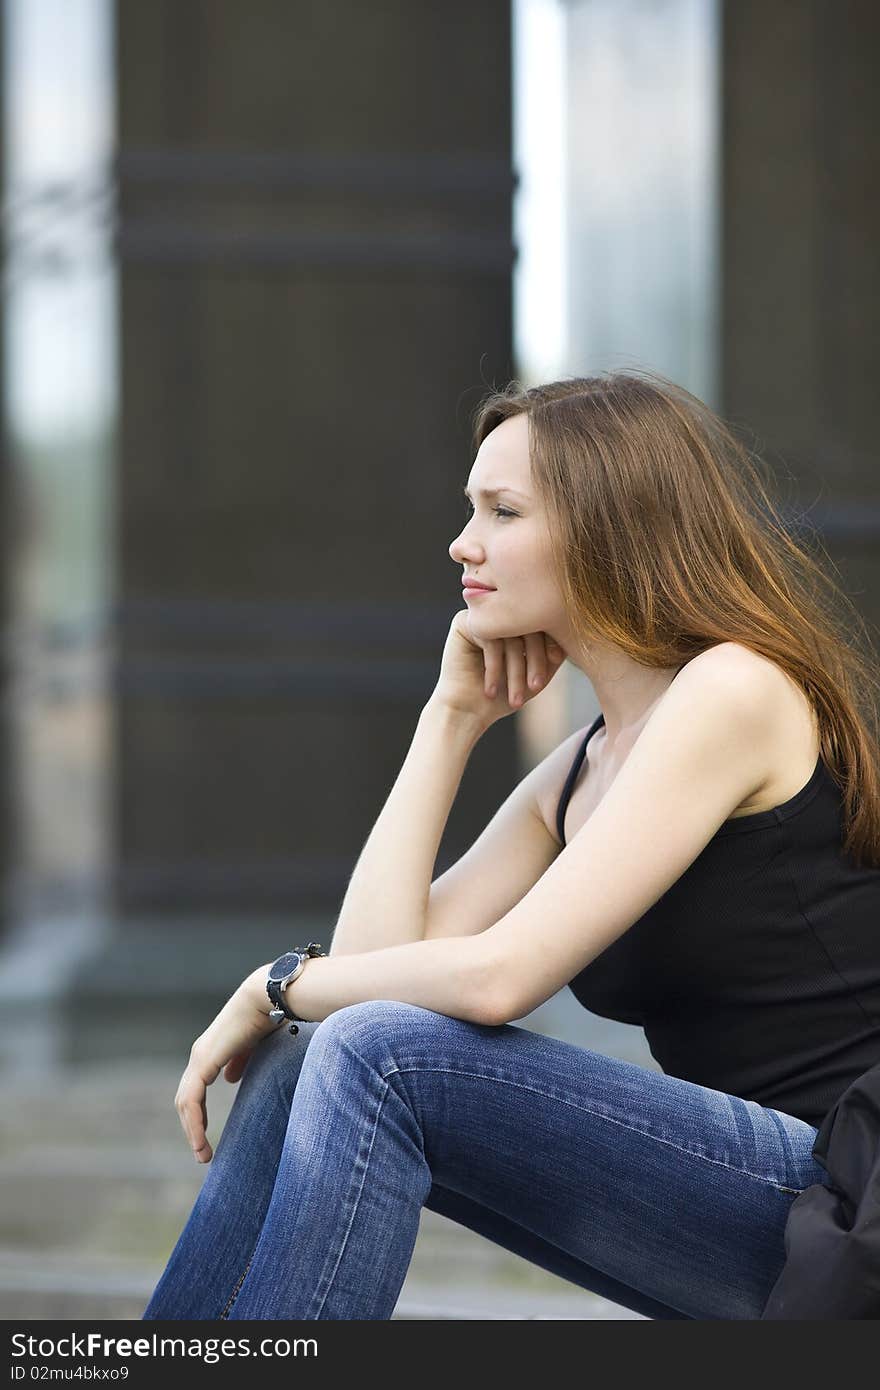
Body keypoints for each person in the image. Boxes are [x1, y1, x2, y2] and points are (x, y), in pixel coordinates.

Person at [142, 370, 880, 1321]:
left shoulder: (734, 691)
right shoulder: (578, 771)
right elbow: (368, 976)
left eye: (503, 511)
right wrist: (448, 722)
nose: (463, 542)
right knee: (310, 1048)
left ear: (609, 526)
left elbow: (496, 981)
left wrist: (271, 981)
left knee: (381, 1050)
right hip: (756, 1193)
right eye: (469, 509)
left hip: (846, 1188)